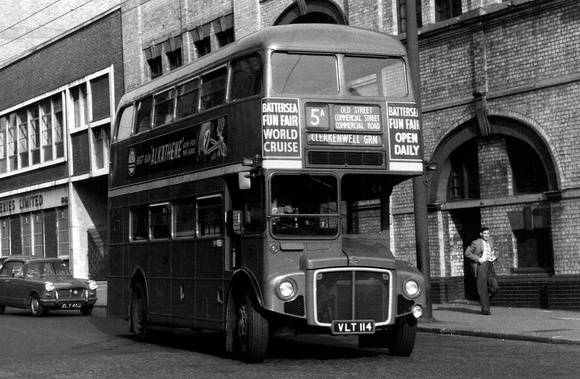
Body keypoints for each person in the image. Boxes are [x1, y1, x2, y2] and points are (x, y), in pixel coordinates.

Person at [465, 226, 499, 315]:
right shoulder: (476, 243)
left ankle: (485, 297)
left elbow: (494, 250)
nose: (487, 235)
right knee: (482, 287)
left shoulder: (491, 241)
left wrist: (494, 257)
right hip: (481, 265)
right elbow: (467, 253)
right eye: (485, 233)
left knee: (494, 286)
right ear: (481, 234)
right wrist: (477, 259)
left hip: (490, 265)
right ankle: (485, 309)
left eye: (488, 233)